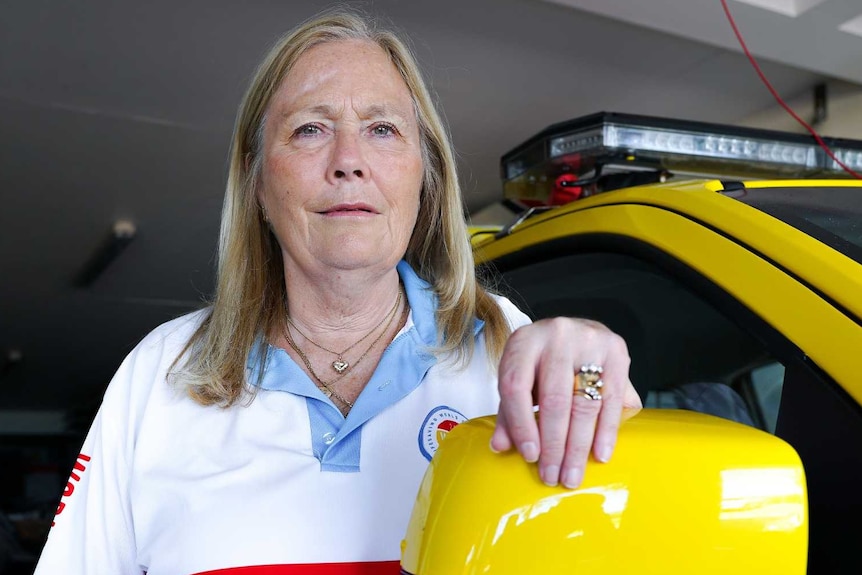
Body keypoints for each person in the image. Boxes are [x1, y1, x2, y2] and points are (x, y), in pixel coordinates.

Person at [34, 9, 640, 574]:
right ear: (257, 186)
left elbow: (615, 531)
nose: (349, 160)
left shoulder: (508, 346)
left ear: (425, 179)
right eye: (309, 129)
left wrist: (598, 384)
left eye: (381, 128)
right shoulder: (163, 371)